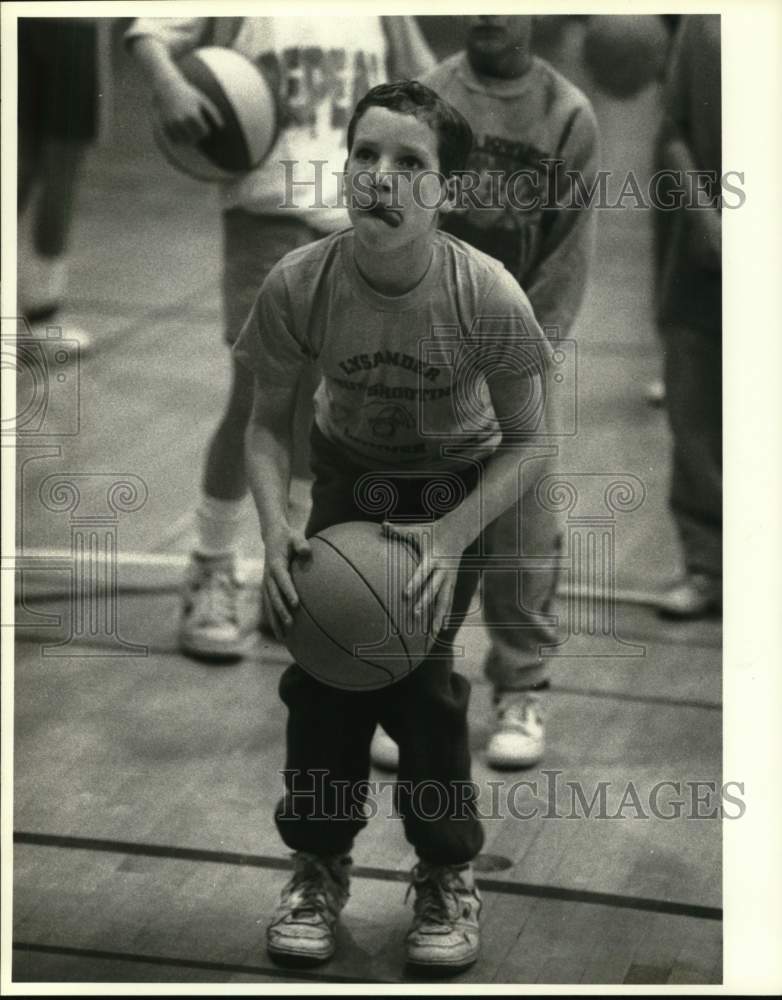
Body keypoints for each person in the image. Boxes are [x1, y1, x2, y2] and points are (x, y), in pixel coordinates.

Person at [235, 81, 555, 972]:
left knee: (418, 682)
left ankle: (448, 873)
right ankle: (318, 864)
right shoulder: (301, 281)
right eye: (367, 155)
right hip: (348, 480)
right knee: (323, 676)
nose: (383, 178)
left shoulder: (484, 292)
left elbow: (532, 442)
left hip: (454, 490)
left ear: (444, 189)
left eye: (411, 162)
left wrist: (452, 537)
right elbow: (265, 424)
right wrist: (272, 530)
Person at [125, 16, 434, 660]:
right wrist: (168, 87)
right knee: (256, 401)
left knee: (321, 415)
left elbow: (424, 77)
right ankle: (210, 567)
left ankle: (288, 572)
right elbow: (148, 29)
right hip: (267, 221)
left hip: (353, 225)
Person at [371, 15, 599, 771]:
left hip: (516, 352)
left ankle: (522, 686)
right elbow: (396, 221)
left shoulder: (567, 115)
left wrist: (521, 352)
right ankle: (408, 682)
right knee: (412, 514)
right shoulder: (428, 95)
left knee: (522, 526)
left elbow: (568, 250)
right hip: (427, 348)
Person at [652, 15, 722, 619]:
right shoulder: (705, 25)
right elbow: (673, 129)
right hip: (706, 260)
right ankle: (709, 565)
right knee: (695, 414)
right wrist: (703, 221)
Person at [17, 17, 103, 351]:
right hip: (74, 25)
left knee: (18, 160)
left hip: (21, 22)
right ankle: (42, 313)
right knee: (62, 165)